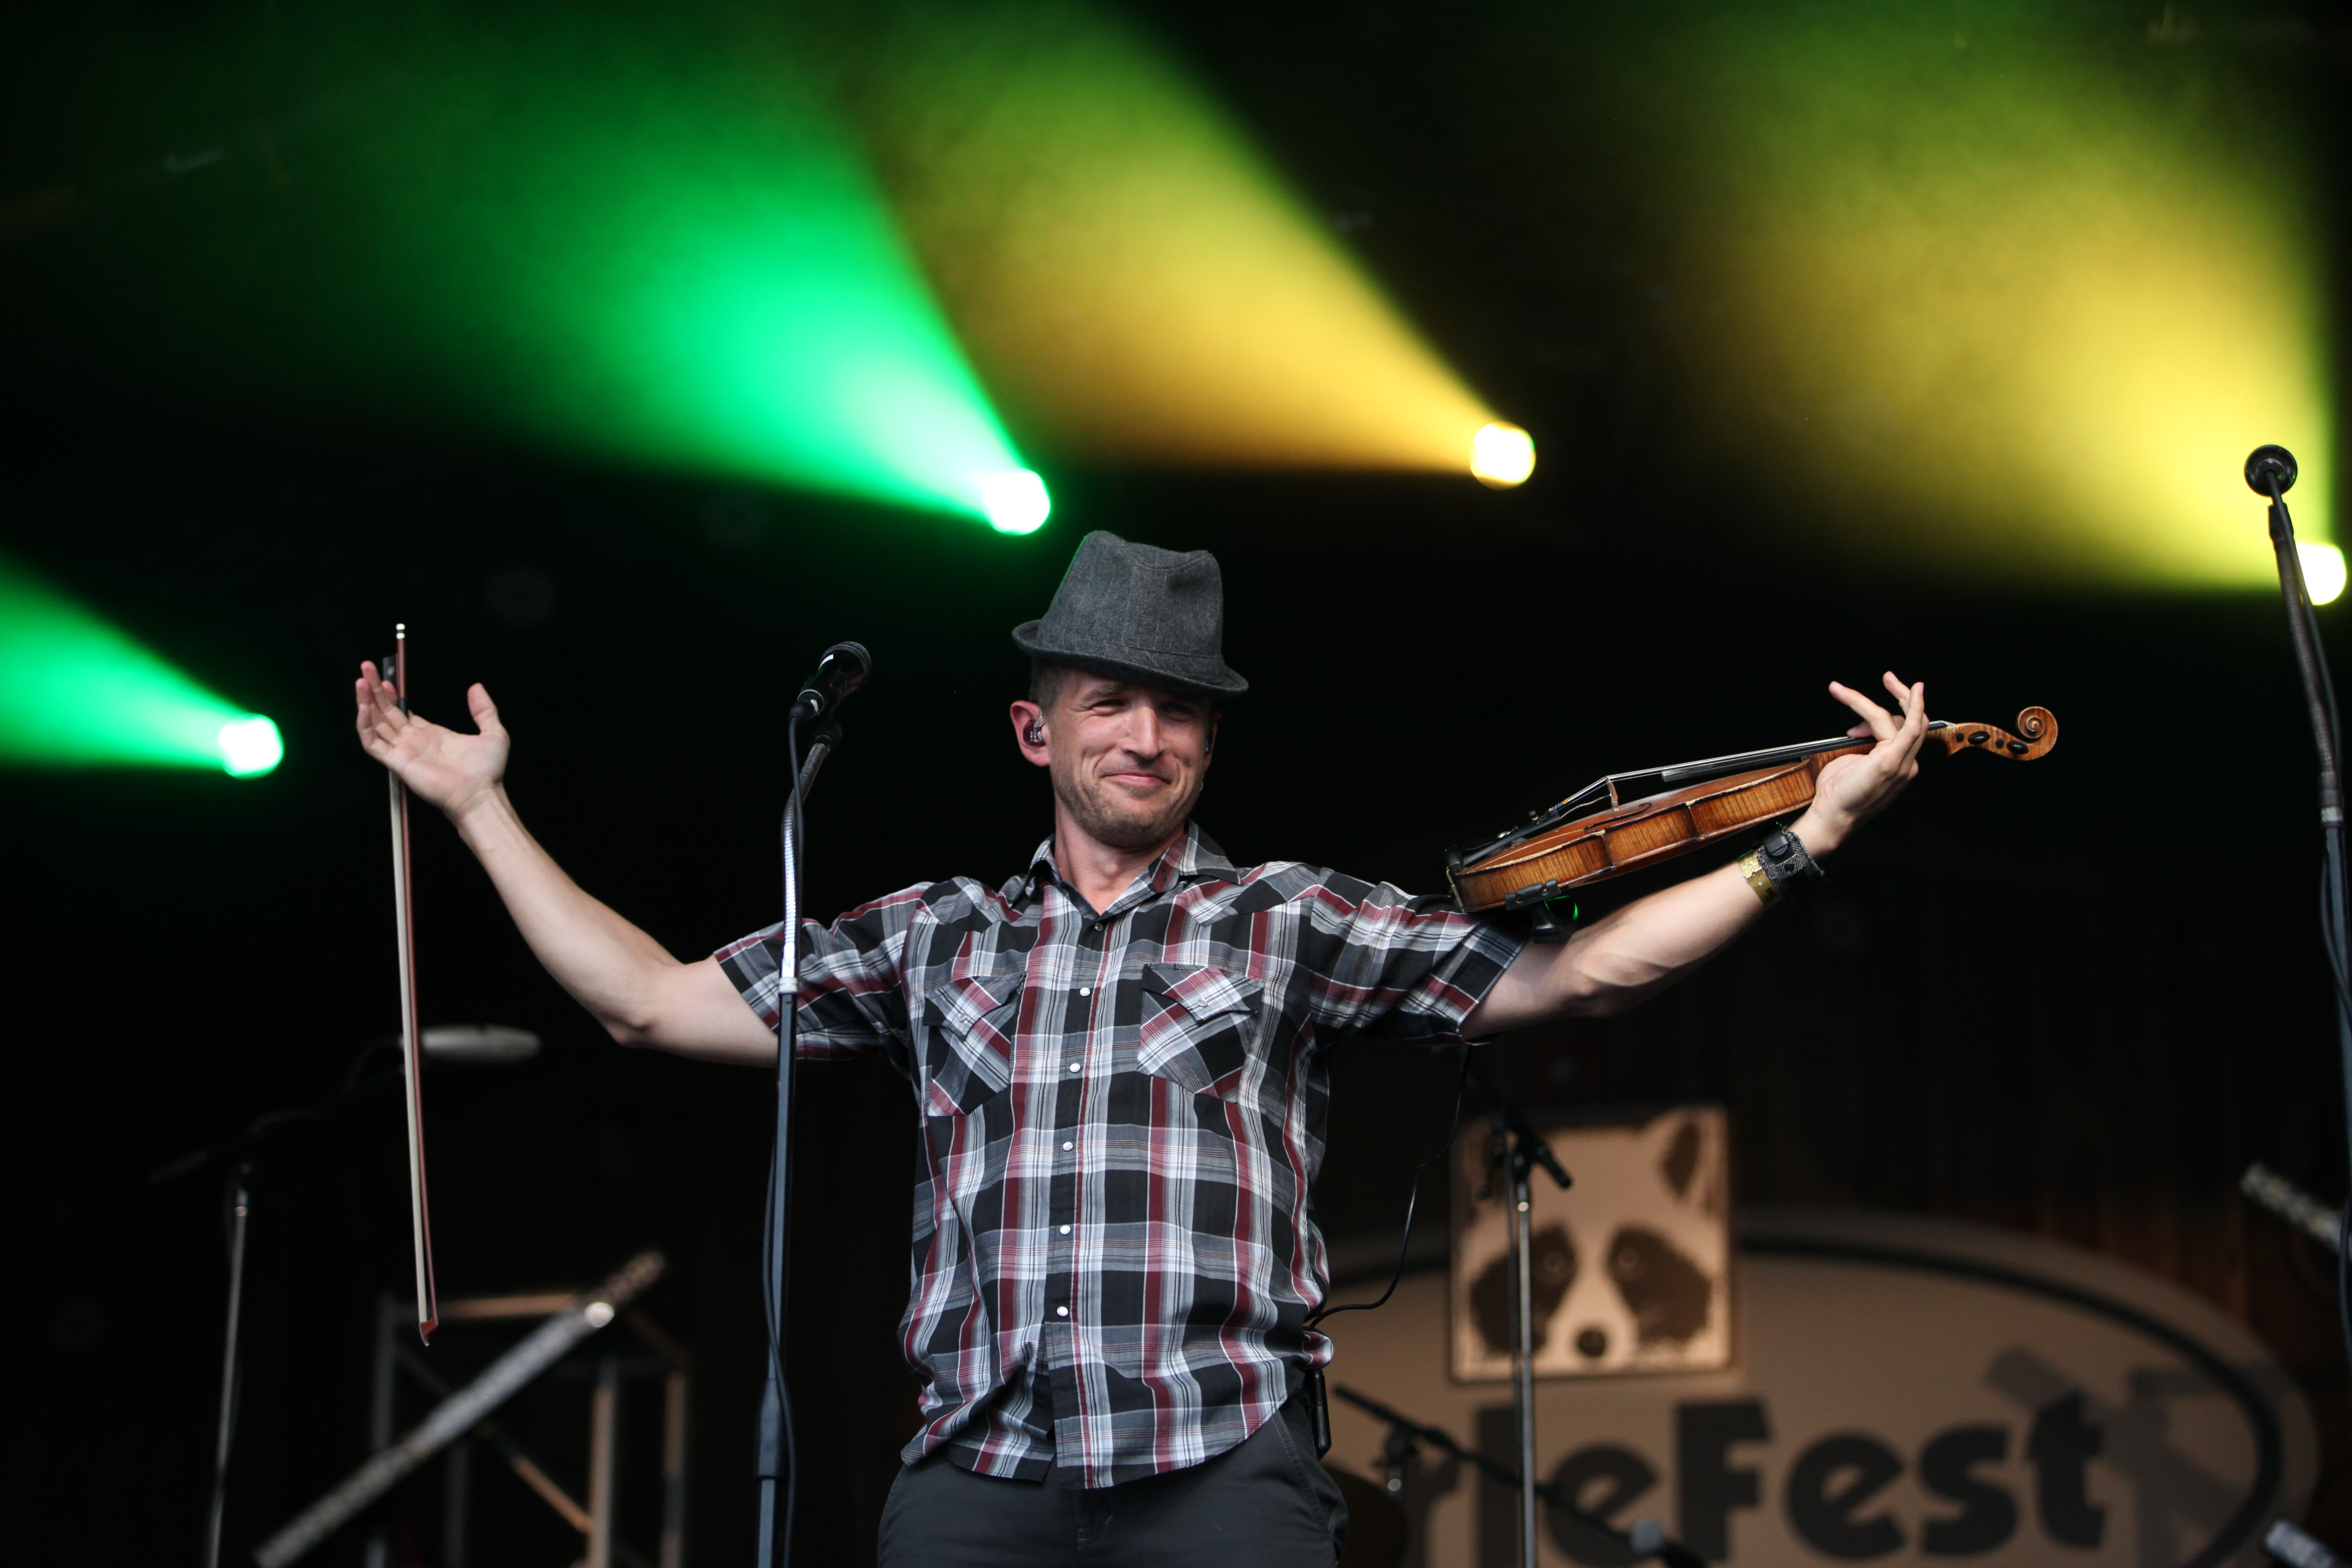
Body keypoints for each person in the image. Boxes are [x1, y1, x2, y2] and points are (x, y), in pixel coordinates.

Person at [353, 531, 1928, 1566]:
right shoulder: (937, 934)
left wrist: (1804, 841)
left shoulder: (1288, 916)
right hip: (975, 1479)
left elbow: (1578, 978)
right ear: (1040, 730)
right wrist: (483, 807)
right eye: (1111, 701)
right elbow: (648, 1000)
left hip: (1218, 1471)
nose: (1147, 737)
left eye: (1179, 711)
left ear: (1208, 740)